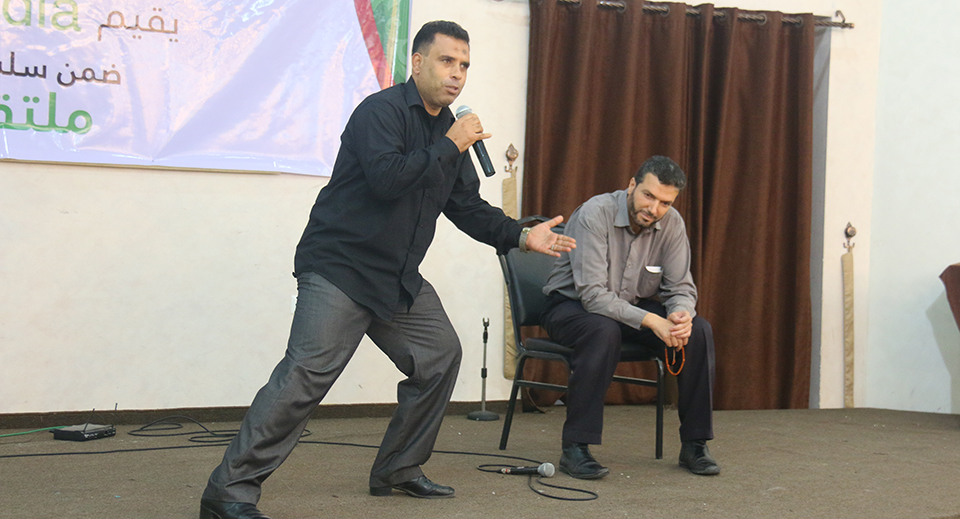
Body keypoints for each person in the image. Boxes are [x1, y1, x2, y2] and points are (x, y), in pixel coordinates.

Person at [199, 20, 574, 519]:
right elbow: (386, 179)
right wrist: (450, 144)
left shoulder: (449, 133)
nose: (457, 74)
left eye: (464, 65)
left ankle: (398, 468)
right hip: (341, 267)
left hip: (396, 278)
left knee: (439, 356)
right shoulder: (380, 112)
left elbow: (466, 207)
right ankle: (228, 492)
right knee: (305, 376)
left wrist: (522, 236)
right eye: (446, 61)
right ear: (417, 63)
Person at [540, 156, 719, 480]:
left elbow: (680, 287)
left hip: (628, 309)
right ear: (632, 185)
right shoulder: (595, 213)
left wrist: (680, 314)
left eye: (665, 203)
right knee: (603, 330)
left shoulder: (673, 224)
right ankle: (575, 448)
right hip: (571, 308)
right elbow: (593, 295)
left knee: (698, 331)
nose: (654, 208)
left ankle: (695, 445)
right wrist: (653, 321)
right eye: (648, 196)